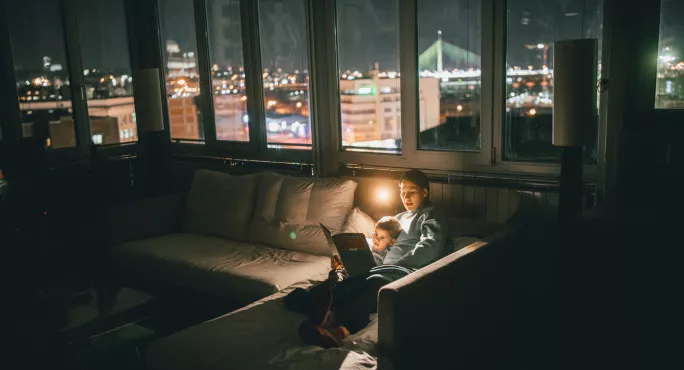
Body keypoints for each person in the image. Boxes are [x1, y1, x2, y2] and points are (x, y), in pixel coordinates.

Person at [285, 169, 449, 348]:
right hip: (383, 268)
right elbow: (384, 248)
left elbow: (430, 247)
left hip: (405, 271)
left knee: (374, 284)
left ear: (425, 192)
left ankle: (320, 312)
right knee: (352, 282)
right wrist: (356, 260)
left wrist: (393, 265)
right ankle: (318, 308)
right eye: (402, 192)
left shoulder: (432, 214)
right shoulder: (399, 218)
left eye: (412, 191)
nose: (406, 196)